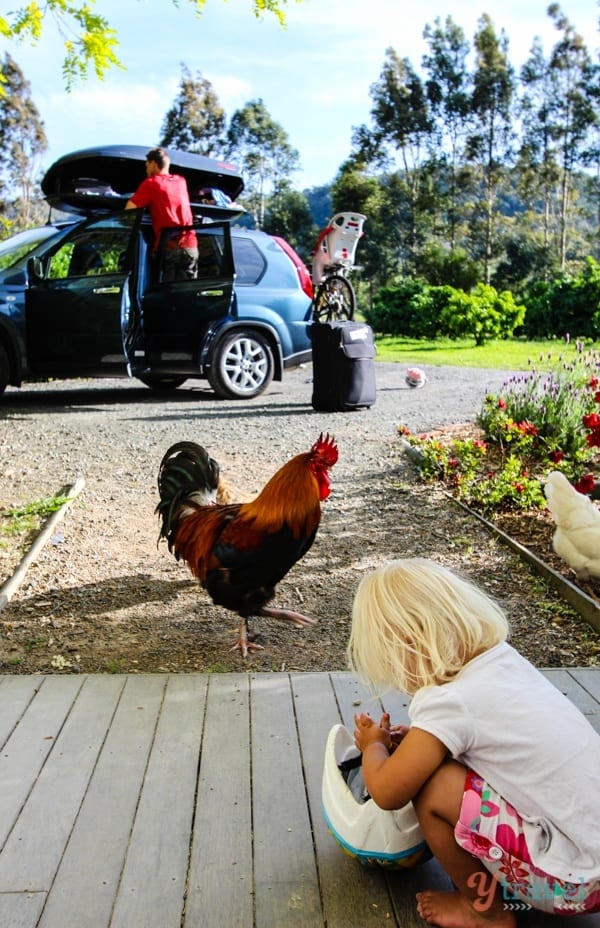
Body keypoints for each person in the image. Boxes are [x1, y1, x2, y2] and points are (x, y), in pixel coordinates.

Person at [348, 558, 600, 927]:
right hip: (591, 858)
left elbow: (388, 791)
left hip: (573, 886)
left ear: (407, 645)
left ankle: (487, 912)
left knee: (433, 788)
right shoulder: (503, 662)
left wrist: (373, 745)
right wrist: (417, 740)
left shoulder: (451, 701)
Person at [125, 147, 198, 280]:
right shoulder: (181, 181)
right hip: (190, 246)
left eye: (147, 165)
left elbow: (129, 212)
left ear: (153, 164)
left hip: (169, 245)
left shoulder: (152, 184)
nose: (146, 169)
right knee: (187, 292)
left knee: (166, 294)